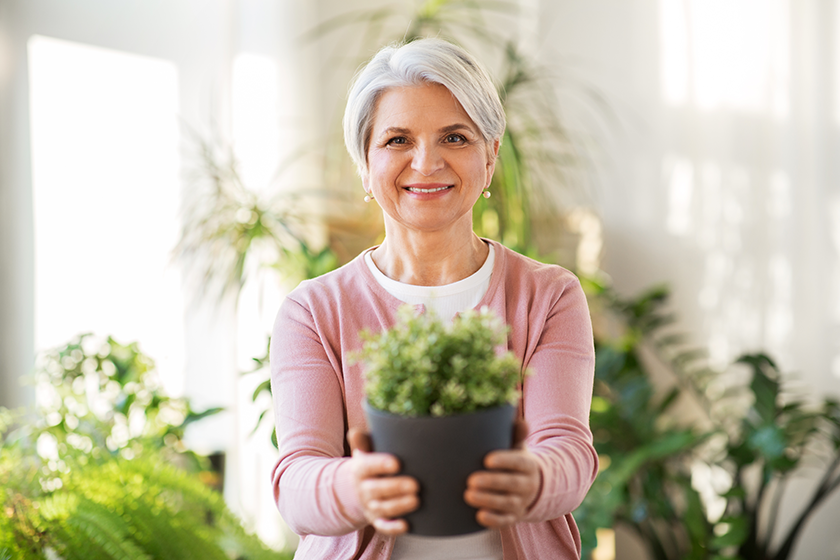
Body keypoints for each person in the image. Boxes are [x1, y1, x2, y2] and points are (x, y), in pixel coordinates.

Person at [270, 37, 598, 559]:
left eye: (455, 137)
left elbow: (568, 451)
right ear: (364, 162)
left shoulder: (548, 296)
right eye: (398, 140)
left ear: (490, 156)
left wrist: (531, 478)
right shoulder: (313, 311)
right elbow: (296, 478)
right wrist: (355, 487)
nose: (426, 162)